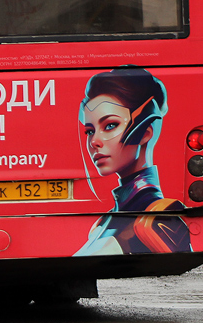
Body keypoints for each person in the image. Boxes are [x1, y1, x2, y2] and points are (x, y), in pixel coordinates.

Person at [74, 67, 191, 256]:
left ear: (144, 133)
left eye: (110, 125)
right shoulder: (103, 222)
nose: (94, 141)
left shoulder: (156, 220)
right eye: (90, 130)